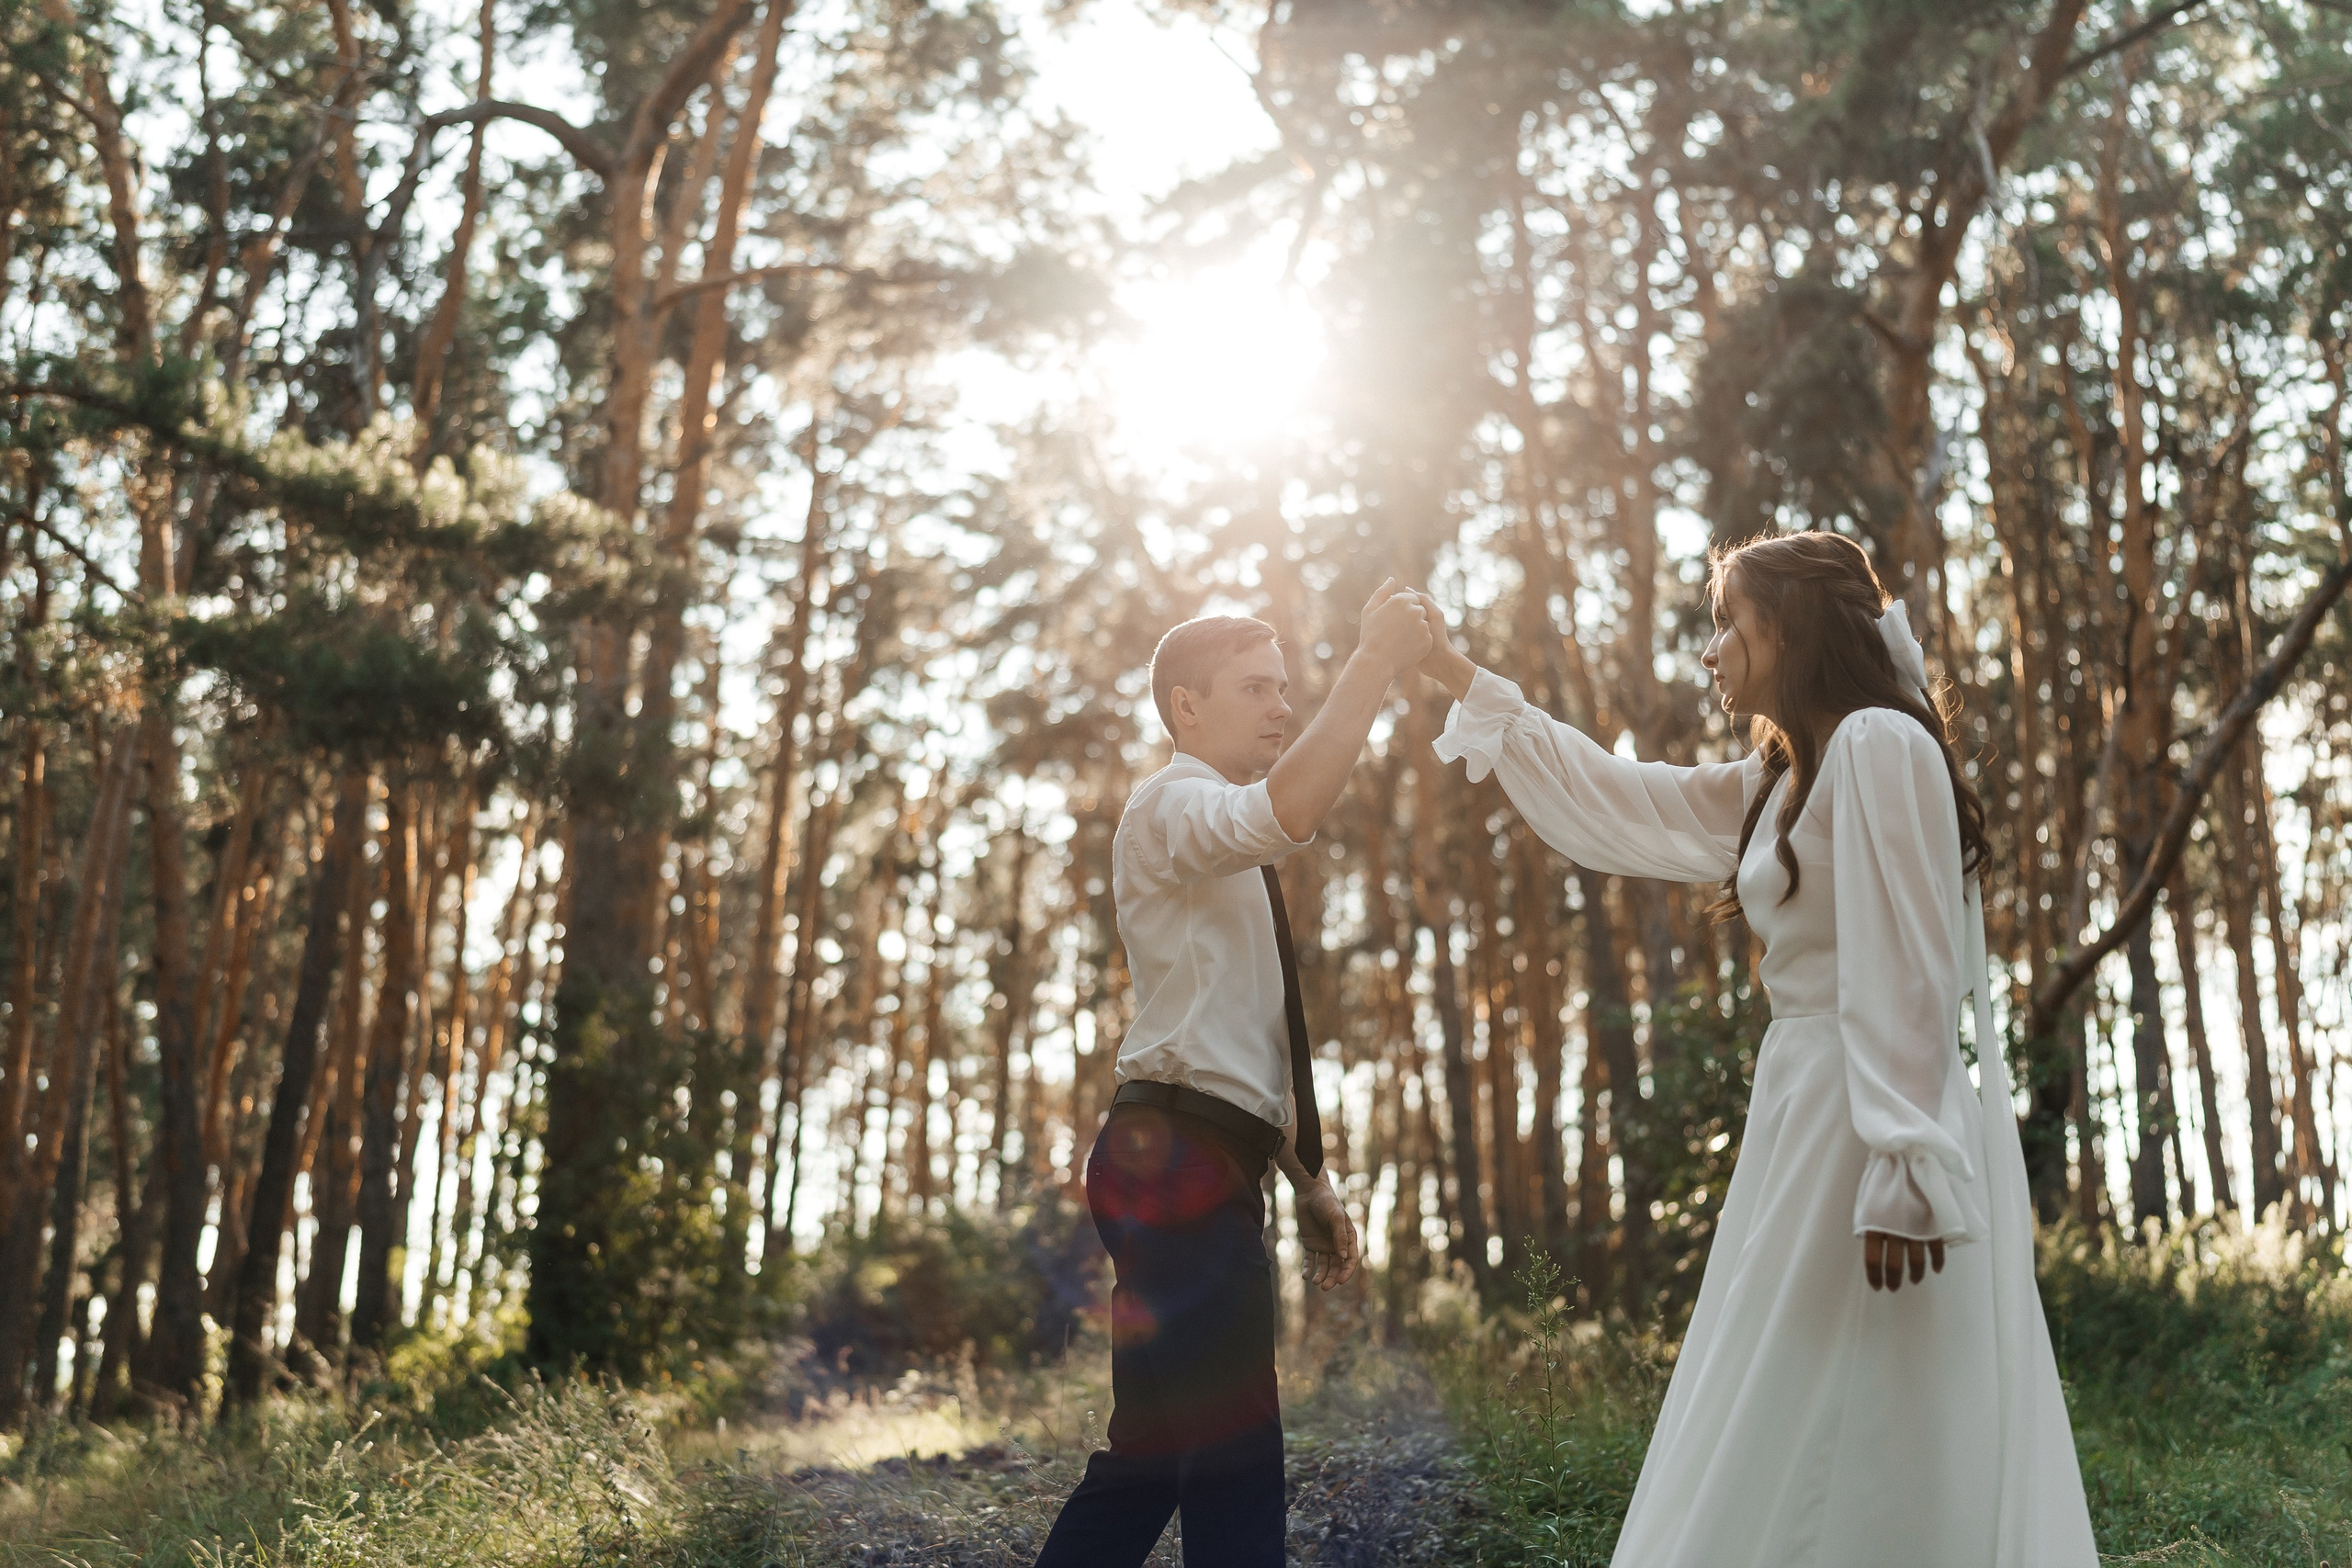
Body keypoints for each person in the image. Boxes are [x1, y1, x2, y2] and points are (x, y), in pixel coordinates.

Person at [1416, 532, 2098, 1567]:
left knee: (1857, 1403)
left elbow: (1911, 963)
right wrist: (1460, 679)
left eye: (1727, 624)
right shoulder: (1778, 784)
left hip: (1867, 1118)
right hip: (1803, 1109)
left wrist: (1904, 1165)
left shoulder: (1880, 744)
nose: (1711, 652)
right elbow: (1617, 798)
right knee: (1776, 1385)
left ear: (1789, 628)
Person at [1033, 580, 1432, 1568]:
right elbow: (1290, 807)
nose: (1282, 708)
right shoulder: (1172, 807)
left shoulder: (1223, 841)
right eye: (1257, 689)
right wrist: (1373, 662)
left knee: (1157, 1457)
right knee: (1236, 1449)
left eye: (1285, 689)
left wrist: (1314, 1180)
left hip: (1197, 1155)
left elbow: (1258, 1033)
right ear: (1187, 709)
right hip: (1175, 1156)